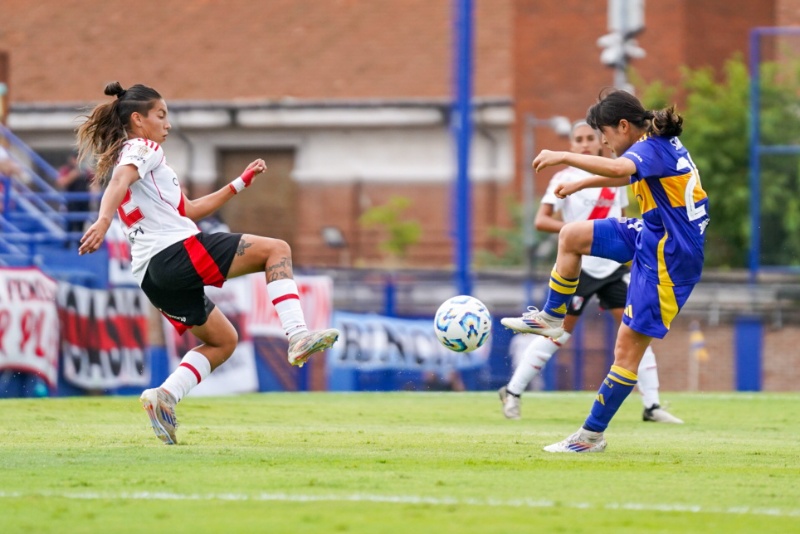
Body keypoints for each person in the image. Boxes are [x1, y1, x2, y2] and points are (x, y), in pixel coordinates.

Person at [76, 82, 340, 445]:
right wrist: (104, 221)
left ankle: (165, 396)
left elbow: (190, 209)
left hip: (153, 276)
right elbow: (120, 181)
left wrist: (239, 182)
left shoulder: (138, 157)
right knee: (276, 249)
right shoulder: (142, 147)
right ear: (138, 120)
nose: (167, 124)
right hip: (175, 252)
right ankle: (297, 336)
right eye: (161, 115)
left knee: (223, 341)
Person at [501, 89, 709, 452]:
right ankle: (552, 317)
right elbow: (626, 175)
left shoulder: (650, 147)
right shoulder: (655, 142)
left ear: (624, 126)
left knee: (627, 351)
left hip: (671, 257)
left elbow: (619, 167)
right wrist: (581, 182)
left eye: (605, 135)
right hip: (653, 233)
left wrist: (563, 157)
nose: (604, 143)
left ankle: (590, 437)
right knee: (572, 235)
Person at [56, 150, 94, 236]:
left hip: (84, 202)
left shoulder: (85, 171)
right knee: (69, 225)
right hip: (70, 203)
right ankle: (67, 246)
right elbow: (61, 182)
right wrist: (74, 174)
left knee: (81, 226)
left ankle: (79, 245)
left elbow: (94, 183)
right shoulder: (66, 170)